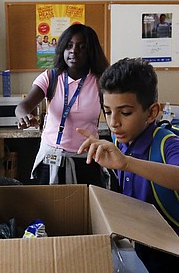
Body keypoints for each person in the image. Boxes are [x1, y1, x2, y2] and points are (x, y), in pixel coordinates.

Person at [77, 58, 179, 273]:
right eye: (107, 112)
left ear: (151, 112)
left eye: (125, 112)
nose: (114, 123)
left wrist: (127, 163)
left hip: (178, 255)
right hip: (144, 247)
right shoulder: (122, 141)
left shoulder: (167, 143)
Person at [16, 24, 109, 186]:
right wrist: (24, 116)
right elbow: (23, 105)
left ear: (91, 52)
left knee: (85, 208)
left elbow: (113, 114)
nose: (74, 51)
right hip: (52, 157)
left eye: (82, 47)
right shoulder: (50, 77)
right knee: (49, 208)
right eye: (69, 46)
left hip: (86, 158)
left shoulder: (101, 82)